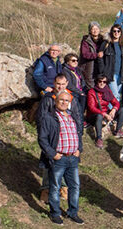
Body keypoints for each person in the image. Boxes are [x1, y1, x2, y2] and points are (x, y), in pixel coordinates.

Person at [38, 91, 84, 225]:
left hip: (73, 158)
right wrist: (52, 154)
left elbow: (78, 134)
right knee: (55, 186)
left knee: (75, 186)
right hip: (59, 159)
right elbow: (42, 138)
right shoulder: (49, 117)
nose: (64, 102)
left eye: (66, 101)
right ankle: (55, 213)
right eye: (61, 100)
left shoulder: (72, 116)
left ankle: (73, 213)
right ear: (56, 101)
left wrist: (78, 149)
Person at [36, 74, 80, 203]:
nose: (60, 86)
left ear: (67, 83)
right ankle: (45, 189)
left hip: (68, 137)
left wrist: (79, 142)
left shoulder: (72, 98)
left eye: (63, 84)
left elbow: (77, 117)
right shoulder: (48, 98)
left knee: (68, 164)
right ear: (54, 84)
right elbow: (41, 118)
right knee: (48, 161)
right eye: (58, 84)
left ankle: (64, 188)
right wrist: (44, 134)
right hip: (52, 137)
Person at [86, 74, 123, 148]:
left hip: (105, 113)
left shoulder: (107, 90)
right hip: (94, 115)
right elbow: (91, 108)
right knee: (99, 116)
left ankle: (118, 130)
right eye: (100, 81)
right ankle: (99, 138)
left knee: (122, 110)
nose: (102, 83)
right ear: (96, 82)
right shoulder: (91, 92)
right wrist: (104, 114)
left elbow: (116, 102)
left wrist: (114, 109)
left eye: (104, 82)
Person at [98, 24, 123, 101]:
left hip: (121, 74)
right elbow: (100, 58)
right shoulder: (106, 44)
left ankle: (111, 111)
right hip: (110, 73)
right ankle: (113, 112)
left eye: (118, 31)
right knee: (115, 95)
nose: (116, 33)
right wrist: (103, 72)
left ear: (121, 32)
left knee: (116, 94)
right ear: (111, 32)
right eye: (114, 31)